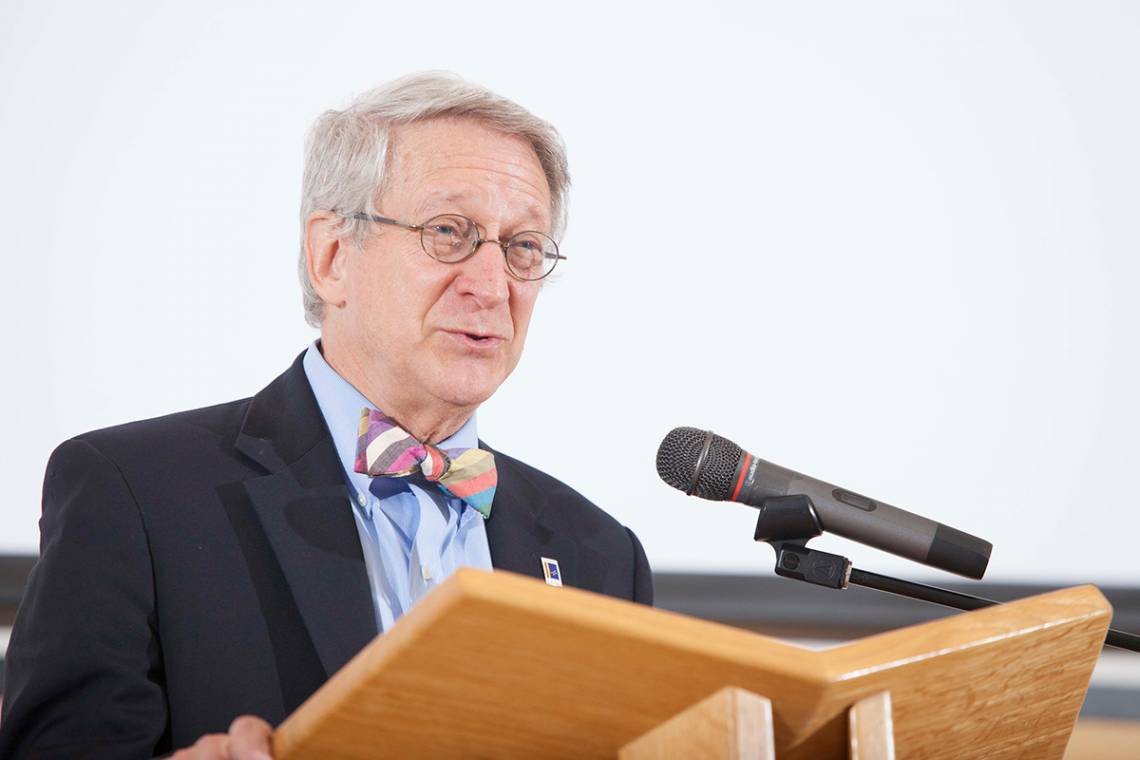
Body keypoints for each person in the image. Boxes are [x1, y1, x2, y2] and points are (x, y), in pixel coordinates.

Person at [0, 72, 652, 758]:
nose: (493, 286)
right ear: (331, 257)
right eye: (450, 232)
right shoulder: (132, 493)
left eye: (522, 247)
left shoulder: (602, 558)